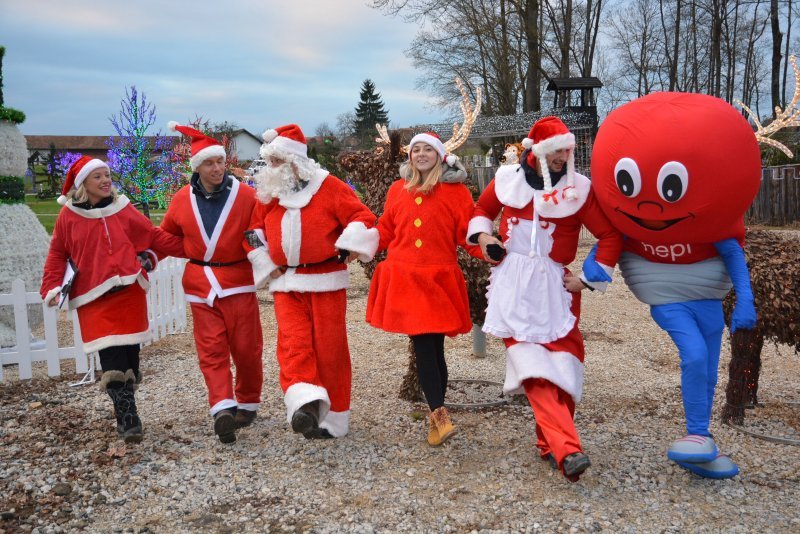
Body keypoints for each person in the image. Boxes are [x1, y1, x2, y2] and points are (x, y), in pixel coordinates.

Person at [589, 93, 761, 479]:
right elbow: (609, 244)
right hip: (667, 298)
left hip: (709, 299)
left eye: (670, 188)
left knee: (709, 369)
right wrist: (593, 270)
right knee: (695, 356)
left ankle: (699, 438)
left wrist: (745, 301)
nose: (652, 208)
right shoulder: (632, 225)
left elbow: (733, 254)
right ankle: (698, 438)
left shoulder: (709, 221)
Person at [467, 116, 623, 481]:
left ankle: (548, 442)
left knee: (566, 365)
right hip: (513, 286)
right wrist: (485, 241)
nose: (562, 156)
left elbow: (610, 236)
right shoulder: (506, 180)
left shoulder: (578, 189)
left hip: (557, 289)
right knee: (533, 367)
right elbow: (479, 214)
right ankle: (568, 449)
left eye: (566, 150)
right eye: (555, 151)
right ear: (535, 152)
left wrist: (587, 279)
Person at [246, 124, 378, 439]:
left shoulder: (329, 187)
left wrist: (351, 244)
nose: (272, 168)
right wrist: (265, 262)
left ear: (296, 160)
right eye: (270, 162)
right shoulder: (270, 193)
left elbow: (363, 218)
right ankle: (305, 404)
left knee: (330, 350)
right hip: (287, 282)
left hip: (325, 281)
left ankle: (333, 419)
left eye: (278, 161)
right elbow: (253, 231)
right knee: (293, 344)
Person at [40, 155, 184, 443]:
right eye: (98, 176)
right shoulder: (68, 216)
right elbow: (58, 253)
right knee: (112, 357)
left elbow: (152, 236)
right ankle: (128, 418)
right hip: (95, 299)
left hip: (129, 294)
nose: (106, 180)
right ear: (83, 184)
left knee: (131, 356)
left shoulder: (123, 209)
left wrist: (193, 246)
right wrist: (52, 287)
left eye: (107, 175)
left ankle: (126, 406)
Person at [366, 132, 479, 446]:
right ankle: (439, 418)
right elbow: (386, 229)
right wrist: (357, 246)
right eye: (416, 149)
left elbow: (469, 234)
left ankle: (436, 419)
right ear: (410, 156)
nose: (421, 154)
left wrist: (493, 249)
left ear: (440, 155)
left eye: (428, 149)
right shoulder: (397, 190)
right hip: (406, 280)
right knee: (425, 348)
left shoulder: (456, 193)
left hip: (438, 281)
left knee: (434, 348)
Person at [160, 122, 263, 444]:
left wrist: (263, 258)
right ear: (198, 167)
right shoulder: (180, 200)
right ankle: (222, 408)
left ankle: (246, 402)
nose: (217, 168)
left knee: (246, 350)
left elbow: (258, 233)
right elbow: (166, 236)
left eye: (220, 161)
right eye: (209, 163)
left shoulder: (246, 196)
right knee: (211, 349)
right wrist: (150, 257)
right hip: (201, 285)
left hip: (238, 282)